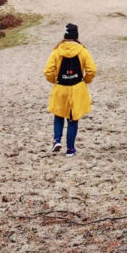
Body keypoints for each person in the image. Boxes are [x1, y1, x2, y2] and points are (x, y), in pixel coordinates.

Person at [43, 22, 97, 155]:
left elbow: (48, 71)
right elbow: (91, 70)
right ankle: (70, 149)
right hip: (77, 88)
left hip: (61, 87)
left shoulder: (57, 51)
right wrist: (86, 81)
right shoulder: (83, 51)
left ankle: (57, 140)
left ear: (65, 35)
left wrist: (54, 80)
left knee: (59, 115)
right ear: (76, 35)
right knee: (73, 119)